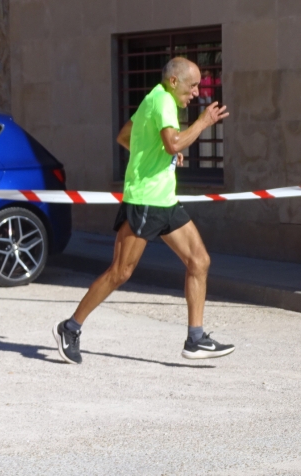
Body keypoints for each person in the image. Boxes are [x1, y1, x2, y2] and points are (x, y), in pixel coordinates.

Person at [52, 57, 233, 364]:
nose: (196, 93)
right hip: (146, 201)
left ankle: (196, 338)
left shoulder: (153, 99)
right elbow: (173, 144)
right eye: (192, 86)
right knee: (120, 272)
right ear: (174, 81)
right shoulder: (162, 101)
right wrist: (202, 123)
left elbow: (126, 136)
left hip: (165, 200)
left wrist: (158, 157)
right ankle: (70, 327)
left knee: (199, 261)